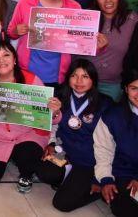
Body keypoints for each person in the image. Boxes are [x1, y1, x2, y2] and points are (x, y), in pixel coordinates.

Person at [0, 40, 62, 192]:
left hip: (28, 134)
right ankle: (13, 155)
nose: (1, 60)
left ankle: (26, 172)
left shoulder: (31, 79)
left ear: (14, 59)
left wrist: (55, 111)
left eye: (6, 55)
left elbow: (49, 118)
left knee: (29, 158)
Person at [36, 59, 111, 212]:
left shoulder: (104, 104)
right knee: (44, 172)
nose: (79, 81)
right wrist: (52, 144)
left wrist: (99, 178)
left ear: (93, 79)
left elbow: (108, 144)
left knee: (62, 204)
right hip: (64, 153)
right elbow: (53, 126)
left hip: (88, 162)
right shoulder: (60, 97)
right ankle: (67, 175)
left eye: (85, 76)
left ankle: (91, 188)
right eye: (74, 75)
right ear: (68, 78)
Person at [8, 0, 81, 86]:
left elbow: (80, 42)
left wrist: (92, 41)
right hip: (27, 73)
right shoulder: (26, 2)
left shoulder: (74, 7)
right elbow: (10, 32)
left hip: (57, 76)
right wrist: (16, 31)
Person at [93, 65, 138, 217]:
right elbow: (103, 150)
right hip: (123, 173)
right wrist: (106, 179)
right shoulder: (112, 115)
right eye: (134, 88)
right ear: (126, 89)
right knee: (123, 208)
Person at [87, 0, 138, 101]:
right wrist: (95, 48)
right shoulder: (86, 17)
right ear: (95, 0)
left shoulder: (132, 19)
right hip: (84, 81)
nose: (108, 0)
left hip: (112, 84)